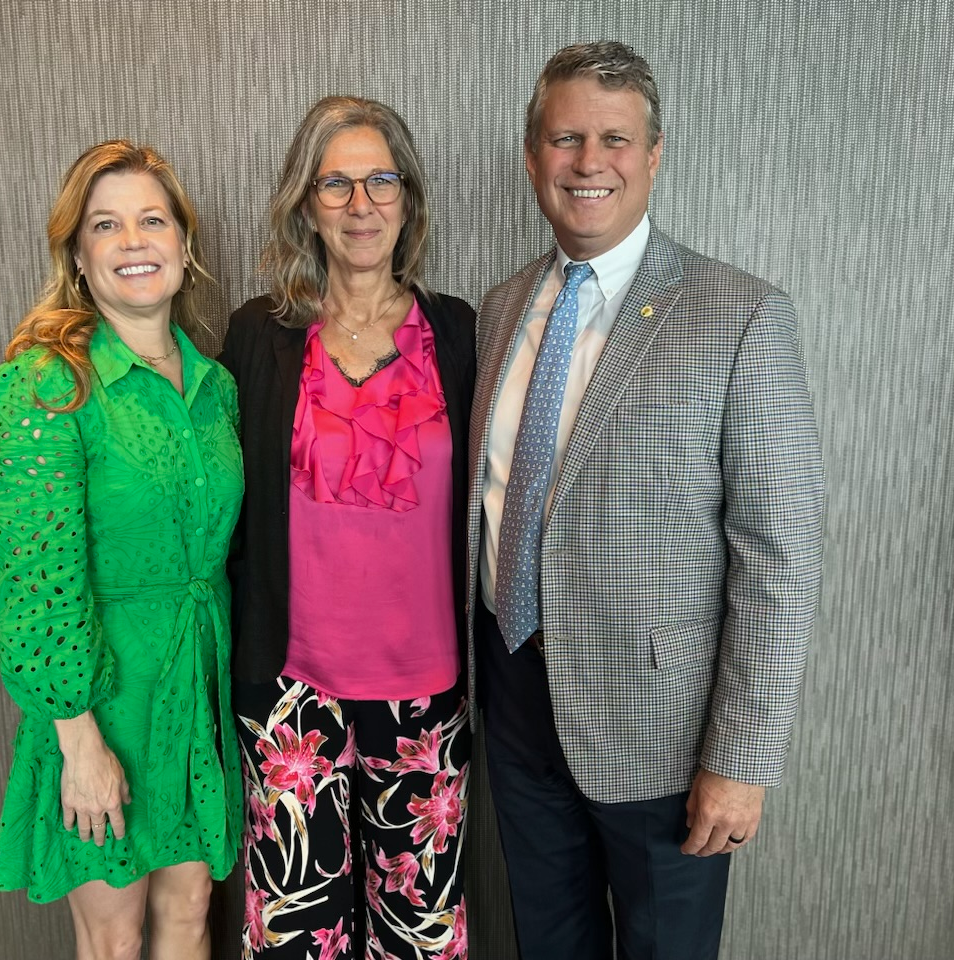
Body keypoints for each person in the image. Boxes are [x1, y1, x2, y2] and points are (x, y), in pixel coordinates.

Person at [468, 42, 826, 959]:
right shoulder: (501, 309)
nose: (590, 162)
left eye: (616, 139)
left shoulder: (740, 315)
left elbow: (780, 560)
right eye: (567, 137)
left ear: (655, 154)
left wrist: (739, 763)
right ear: (532, 154)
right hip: (515, 707)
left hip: (663, 740)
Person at [221, 96, 475, 960]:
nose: (361, 203)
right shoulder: (259, 335)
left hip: (426, 695)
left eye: (380, 179)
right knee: (297, 936)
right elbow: (223, 506)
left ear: (408, 197)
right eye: (336, 183)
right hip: (291, 690)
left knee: (418, 934)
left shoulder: (462, 333)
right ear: (306, 201)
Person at [0, 140, 242, 960]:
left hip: (194, 689)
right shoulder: (45, 386)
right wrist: (77, 739)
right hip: (103, 703)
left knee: (191, 913)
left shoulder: (215, 387)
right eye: (107, 225)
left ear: (184, 245)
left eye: (152, 220)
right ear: (79, 256)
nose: (134, 241)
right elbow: (37, 583)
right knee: (114, 939)